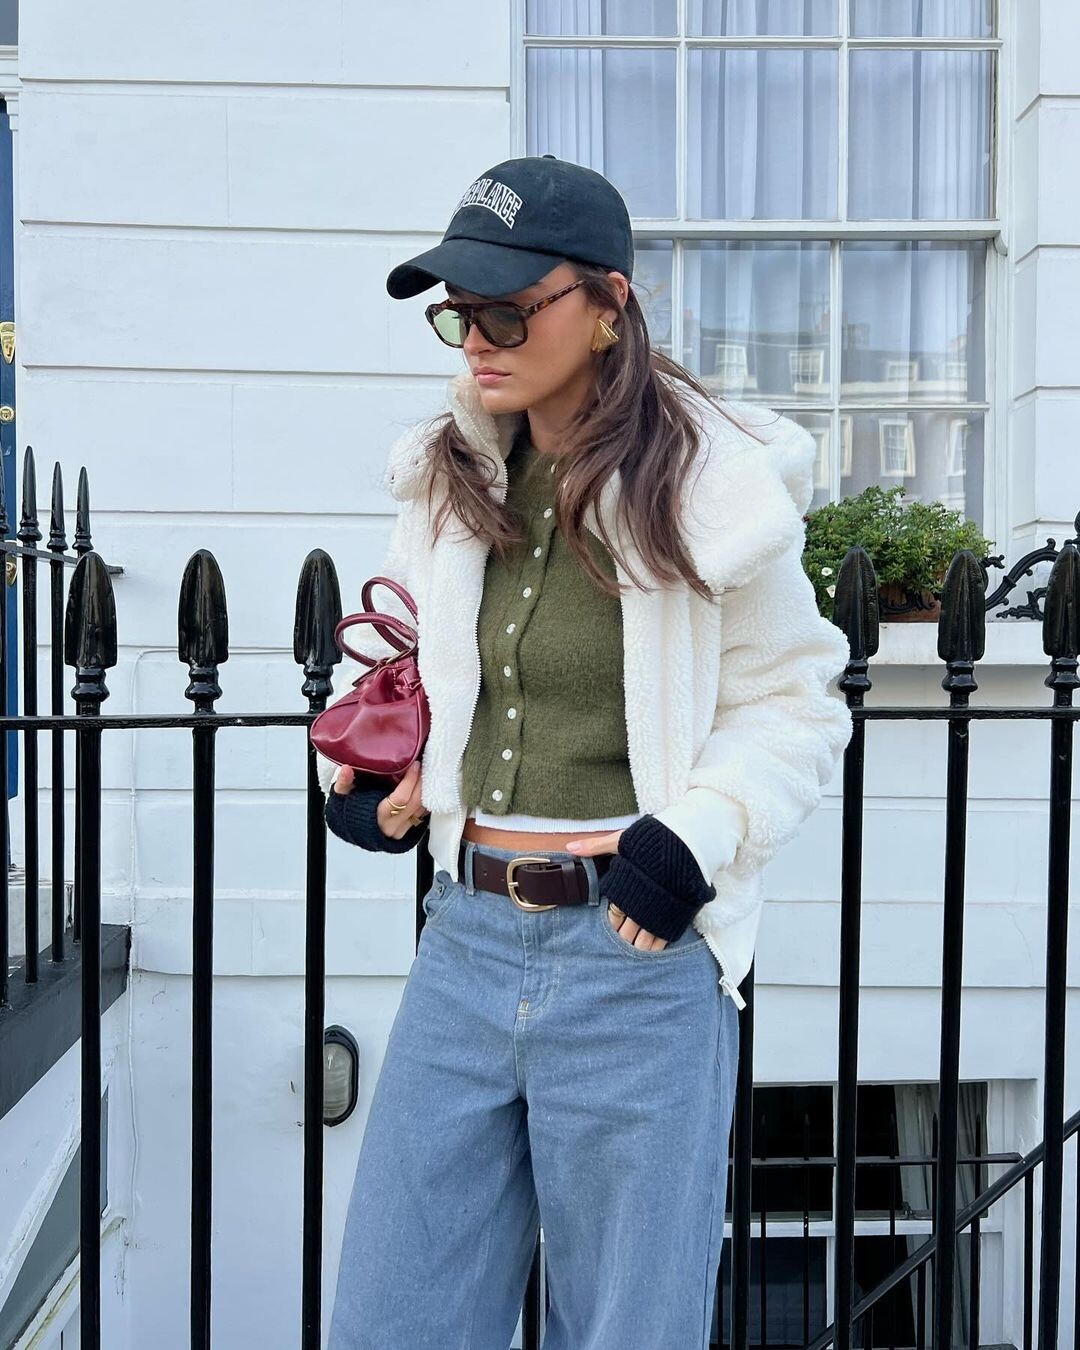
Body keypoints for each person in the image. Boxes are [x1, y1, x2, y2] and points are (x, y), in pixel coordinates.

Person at [319, 155, 853, 1350]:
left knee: (627, 1328)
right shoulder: (452, 473)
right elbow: (409, 662)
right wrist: (377, 779)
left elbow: (795, 699)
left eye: (509, 311)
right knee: (393, 1317)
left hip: (634, 953)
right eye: (459, 312)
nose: (477, 340)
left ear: (608, 305)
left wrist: (695, 837)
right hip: (463, 942)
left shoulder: (712, 484)